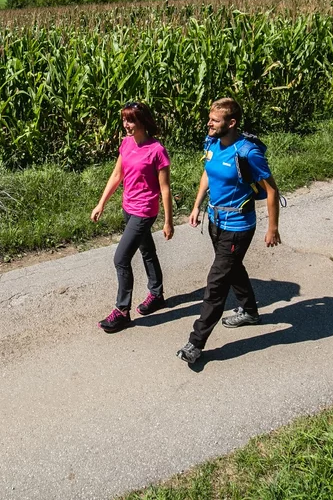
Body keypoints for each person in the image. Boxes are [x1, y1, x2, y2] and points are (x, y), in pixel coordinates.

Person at [177, 98, 280, 364]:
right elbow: (207, 172)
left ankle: (195, 343)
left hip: (238, 227)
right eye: (210, 118)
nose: (209, 123)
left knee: (216, 284)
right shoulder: (212, 142)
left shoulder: (247, 152)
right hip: (215, 221)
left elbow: (271, 190)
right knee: (232, 268)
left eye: (215, 120)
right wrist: (197, 205)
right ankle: (250, 311)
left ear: (231, 123)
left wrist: (273, 228)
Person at [91, 102, 174, 333]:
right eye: (124, 120)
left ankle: (122, 311)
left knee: (120, 259)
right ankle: (157, 294)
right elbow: (117, 175)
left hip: (144, 211)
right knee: (147, 250)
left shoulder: (157, 150)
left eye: (130, 120)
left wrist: (168, 221)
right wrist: (101, 203)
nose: (126, 125)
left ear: (142, 122)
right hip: (128, 207)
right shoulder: (126, 143)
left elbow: (165, 188)